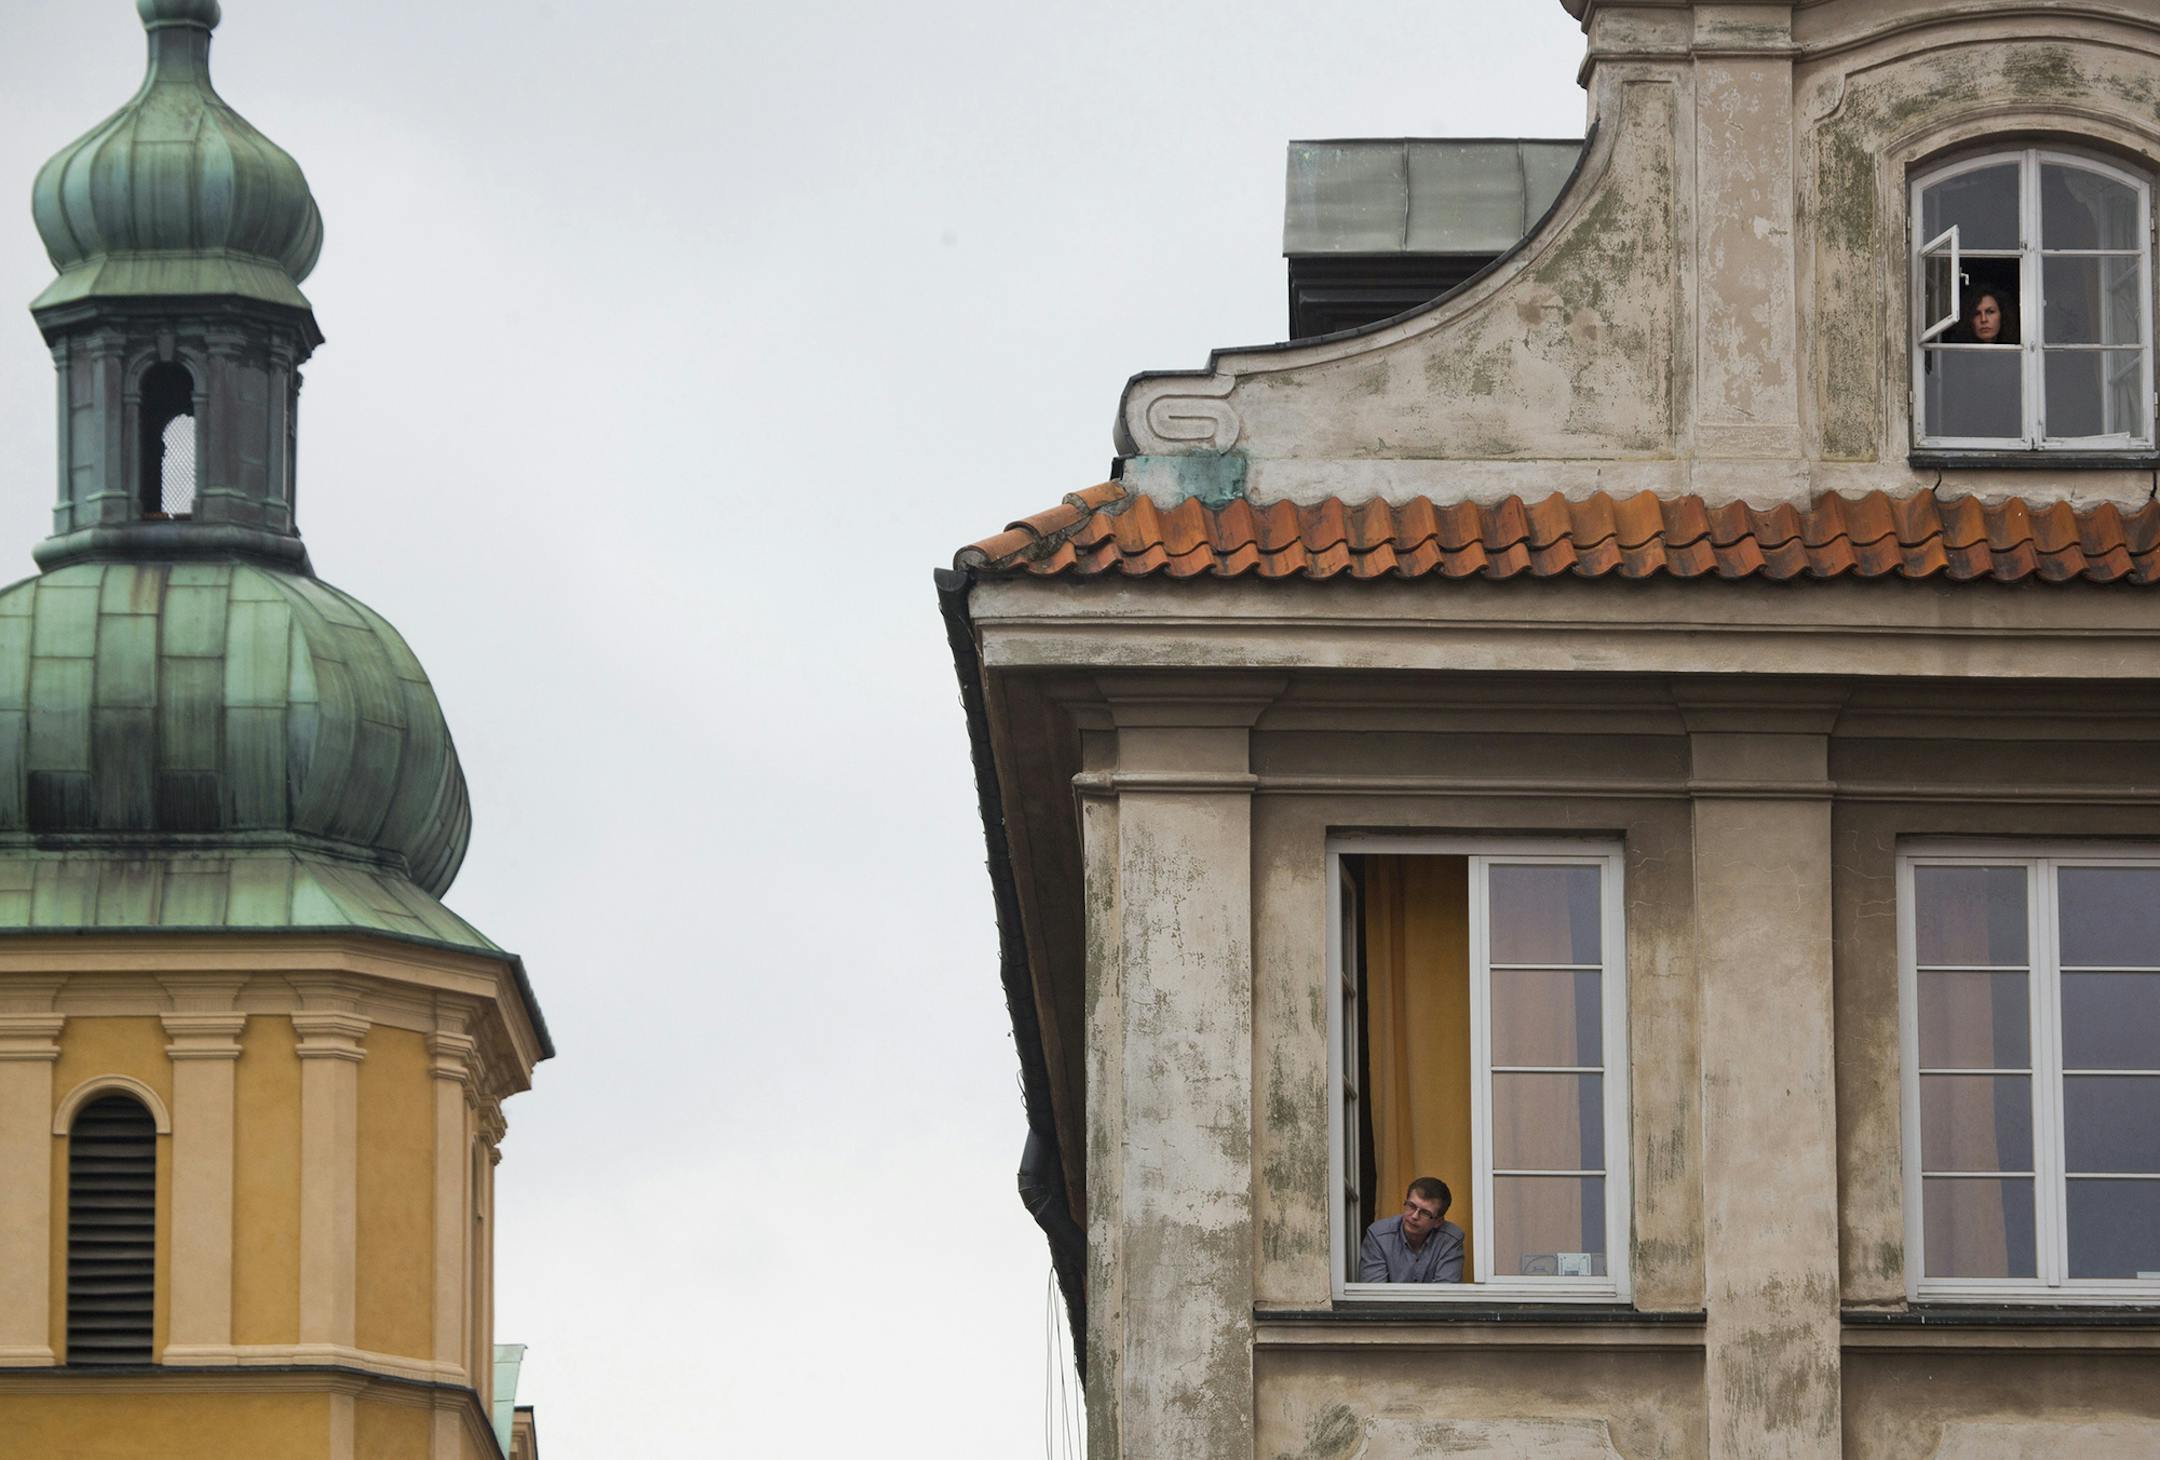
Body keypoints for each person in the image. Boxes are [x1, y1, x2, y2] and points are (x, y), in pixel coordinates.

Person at [1359, 1176, 1465, 1283]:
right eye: (1411, 1206)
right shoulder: (1378, 1235)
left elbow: (1444, 1294)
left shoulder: (1451, 1239)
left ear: (1438, 1222)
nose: (1414, 1216)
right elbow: (1374, 1294)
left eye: (1425, 1213)